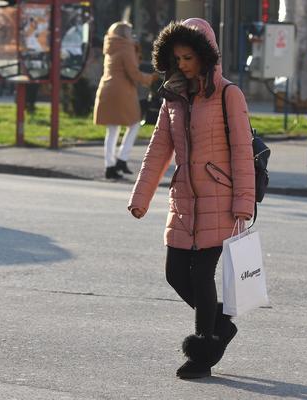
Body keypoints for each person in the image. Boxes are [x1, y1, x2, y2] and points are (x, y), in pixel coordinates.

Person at [127, 18, 256, 379]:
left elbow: (242, 151)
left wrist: (243, 203)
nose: (182, 64)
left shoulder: (229, 94)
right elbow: (158, 150)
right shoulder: (173, 96)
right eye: (176, 58)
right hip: (184, 198)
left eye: (187, 57)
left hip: (222, 198)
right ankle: (221, 326)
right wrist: (142, 196)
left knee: (201, 275)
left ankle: (203, 353)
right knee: (174, 274)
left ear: (204, 56)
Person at [93, 21, 158, 180]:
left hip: (107, 89)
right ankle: (122, 159)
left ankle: (110, 166)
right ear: (124, 34)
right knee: (135, 123)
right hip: (122, 91)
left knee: (112, 130)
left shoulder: (111, 45)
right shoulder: (126, 47)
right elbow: (133, 73)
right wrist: (151, 79)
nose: (133, 34)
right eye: (130, 32)